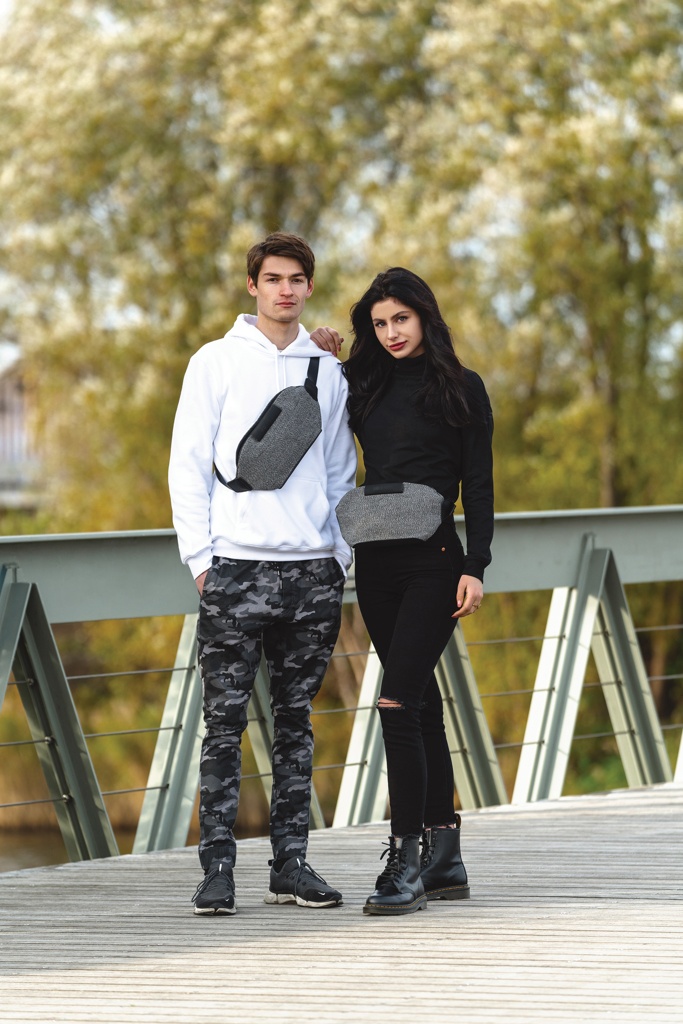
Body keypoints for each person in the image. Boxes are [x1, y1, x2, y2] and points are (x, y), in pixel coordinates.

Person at [168, 232, 357, 915]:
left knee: (296, 725)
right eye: (273, 278)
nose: (285, 290)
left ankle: (291, 865)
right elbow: (187, 465)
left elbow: (340, 473)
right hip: (235, 570)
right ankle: (217, 870)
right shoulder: (214, 362)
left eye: (296, 279)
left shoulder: (328, 371)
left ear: (309, 287)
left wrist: (338, 556)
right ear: (253, 285)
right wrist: (201, 562)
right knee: (222, 726)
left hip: (311, 573)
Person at [311, 268, 494, 916]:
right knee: (419, 704)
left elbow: (479, 486)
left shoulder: (463, 389)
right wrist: (318, 349)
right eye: (380, 323)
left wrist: (476, 565)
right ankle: (447, 859)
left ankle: (406, 861)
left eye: (401, 319)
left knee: (394, 702)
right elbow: (308, 403)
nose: (391, 333)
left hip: (435, 563)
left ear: (424, 317)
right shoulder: (362, 383)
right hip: (375, 564)